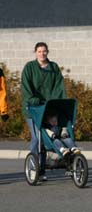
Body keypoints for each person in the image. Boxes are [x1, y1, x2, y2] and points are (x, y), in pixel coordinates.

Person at [21, 42, 66, 181]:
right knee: (37, 138)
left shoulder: (54, 67)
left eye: (44, 51)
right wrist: (34, 100)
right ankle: (35, 167)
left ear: (48, 52)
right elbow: (26, 88)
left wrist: (57, 103)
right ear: (35, 52)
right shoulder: (29, 68)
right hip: (33, 109)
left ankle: (43, 166)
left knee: (48, 137)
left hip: (49, 108)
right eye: (39, 51)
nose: (42, 53)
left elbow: (59, 87)